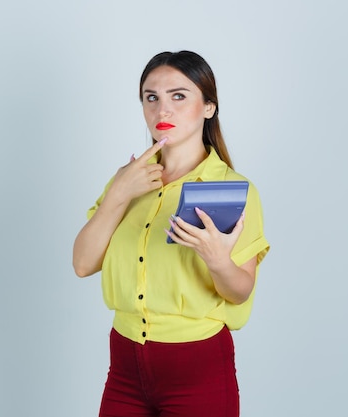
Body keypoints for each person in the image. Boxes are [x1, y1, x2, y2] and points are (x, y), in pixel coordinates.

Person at [72, 50, 270, 417]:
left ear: (209, 106)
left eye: (179, 96)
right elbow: (82, 264)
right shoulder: (128, 180)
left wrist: (217, 260)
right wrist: (118, 194)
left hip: (198, 369)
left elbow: (239, 292)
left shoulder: (231, 190)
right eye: (152, 97)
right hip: (125, 367)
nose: (163, 110)